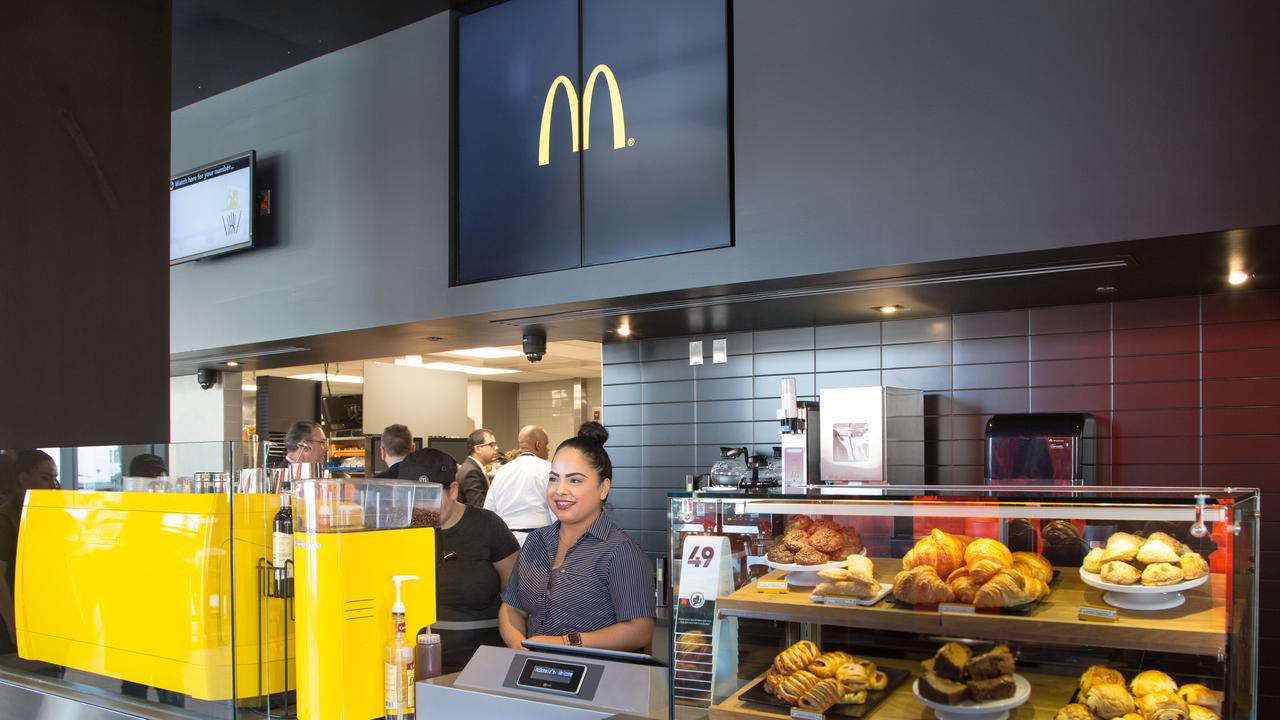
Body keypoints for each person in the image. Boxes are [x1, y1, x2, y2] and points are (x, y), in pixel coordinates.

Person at [498, 423, 655, 653]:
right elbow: (512, 607)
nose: (560, 490)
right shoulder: (536, 542)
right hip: (532, 673)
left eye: (575, 480)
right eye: (554, 479)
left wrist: (566, 643)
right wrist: (517, 644)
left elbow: (639, 630)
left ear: (603, 488)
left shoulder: (620, 551)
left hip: (598, 680)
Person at [398, 449, 519, 674]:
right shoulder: (400, 532)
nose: (420, 506)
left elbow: (515, 595)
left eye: (429, 497)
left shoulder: (487, 527)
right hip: (413, 663)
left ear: (453, 490)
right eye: (411, 496)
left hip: (480, 662)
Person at [119, 454, 185, 707]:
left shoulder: (168, 512)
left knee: (169, 681)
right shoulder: (129, 516)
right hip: (138, 610)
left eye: (159, 478)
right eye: (150, 479)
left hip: (164, 609)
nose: (156, 484)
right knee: (137, 681)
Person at [0, 451, 60, 656]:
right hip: (16, 620)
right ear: (24, 478)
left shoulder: (51, 516)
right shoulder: (6, 519)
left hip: (47, 617)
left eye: (55, 479)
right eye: (45, 478)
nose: (53, 486)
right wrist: (13, 625)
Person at [483, 425, 553, 544]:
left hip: (506, 541)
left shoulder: (502, 472)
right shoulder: (548, 469)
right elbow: (556, 508)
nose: (548, 450)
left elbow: (488, 512)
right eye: (546, 445)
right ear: (538, 445)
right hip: (540, 539)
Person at [455, 428, 497, 507]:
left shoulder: (473, 468)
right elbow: (478, 507)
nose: (496, 448)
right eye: (492, 445)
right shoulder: (471, 472)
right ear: (477, 449)